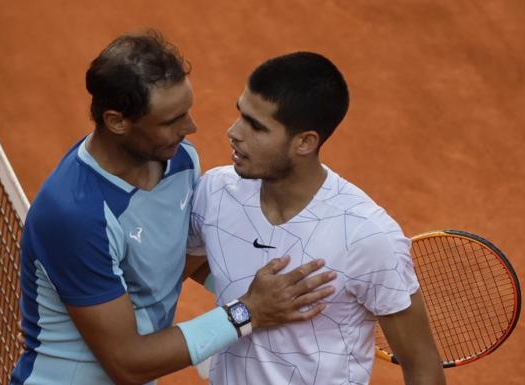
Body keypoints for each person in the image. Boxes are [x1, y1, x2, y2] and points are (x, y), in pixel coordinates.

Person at [9, 31, 336, 385]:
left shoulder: (179, 161)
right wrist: (247, 311)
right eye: (171, 121)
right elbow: (127, 364)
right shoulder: (75, 215)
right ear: (117, 121)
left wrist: (289, 292)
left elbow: (175, 261)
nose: (191, 127)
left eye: (186, 112)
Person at [188, 52, 446, 385]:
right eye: (241, 114)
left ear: (305, 142)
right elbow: (182, 268)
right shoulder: (215, 192)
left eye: (256, 126)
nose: (234, 132)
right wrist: (253, 303)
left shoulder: (366, 236)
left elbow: (423, 367)